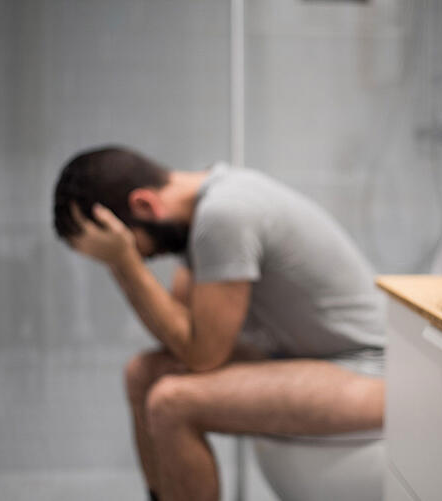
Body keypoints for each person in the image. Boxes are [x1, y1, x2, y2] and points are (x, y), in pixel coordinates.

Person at [52, 146, 386, 501]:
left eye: (135, 248)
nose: (143, 258)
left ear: (144, 205)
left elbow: (202, 356)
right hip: (303, 360)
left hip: (368, 370)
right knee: (142, 373)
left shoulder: (224, 214)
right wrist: (124, 257)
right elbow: (177, 334)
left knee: (172, 402)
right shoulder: (199, 212)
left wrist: (123, 263)